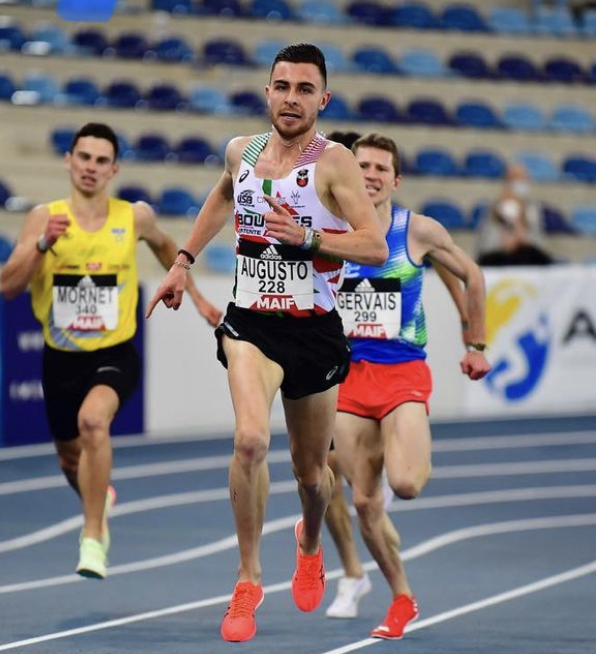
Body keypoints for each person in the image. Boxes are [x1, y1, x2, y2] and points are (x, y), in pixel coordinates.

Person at [147, 43, 389, 642]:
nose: (291, 99)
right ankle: (248, 577)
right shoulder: (243, 151)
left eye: (305, 89)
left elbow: (374, 245)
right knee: (250, 439)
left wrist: (309, 239)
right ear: (267, 92)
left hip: (313, 331)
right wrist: (182, 260)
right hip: (251, 323)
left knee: (312, 475)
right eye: (282, 86)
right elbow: (224, 194)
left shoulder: (334, 163)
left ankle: (309, 542)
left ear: (323, 99)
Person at [0, 121, 222, 580]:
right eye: (84, 157)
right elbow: (8, 286)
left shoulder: (134, 217)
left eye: (102, 161)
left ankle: (93, 537)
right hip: (61, 358)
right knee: (70, 458)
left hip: (114, 353)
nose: (91, 167)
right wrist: (42, 245)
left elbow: (167, 247)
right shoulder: (43, 218)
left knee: (93, 422)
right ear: (69, 161)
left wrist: (196, 296)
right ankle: (97, 493)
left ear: (114, 169)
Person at [324, 133, 492, 639]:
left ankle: (390, 464)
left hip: (402, 374)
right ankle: (401, 598)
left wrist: (475, 342)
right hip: (349, 377)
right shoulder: (330, 230)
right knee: (363, 502)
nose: (371, 175)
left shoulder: (416, 230)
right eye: (362, 166)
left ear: (395, 180)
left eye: (381, 168)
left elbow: (471, 274)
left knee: (406, 485)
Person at [475, 164, 553, 267]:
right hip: (497, 259)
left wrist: (520, 234)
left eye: (522, 178)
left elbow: (538, 244)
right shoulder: (492, 209)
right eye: (514, 177)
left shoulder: (533, 209)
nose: (518, 181)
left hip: (526, 260)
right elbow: (485, 245)